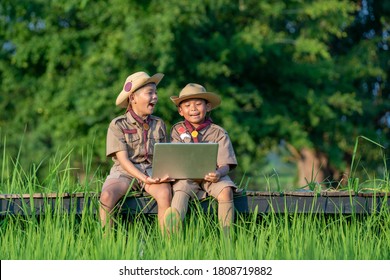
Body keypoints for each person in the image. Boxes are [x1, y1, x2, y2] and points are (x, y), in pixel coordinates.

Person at [99, 71, 172, 233]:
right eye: (150, 93)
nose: (155, 97)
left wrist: (165, 174)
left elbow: (165, 154)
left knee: (165, 193)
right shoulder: (118, 125)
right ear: (133, 98)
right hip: (125, 173)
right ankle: (107, 245)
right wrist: (143, 178)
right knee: (107, 196)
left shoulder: (159, 124)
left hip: (153, 172)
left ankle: (168, 247)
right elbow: (123, 160)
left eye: (156, 93)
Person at [166, 83, 238, 234]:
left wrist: (219, 173)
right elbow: (175, 159)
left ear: (208, 107)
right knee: (180, 192)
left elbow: (225, 163)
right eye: (187, 105)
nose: (193, 108)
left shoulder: (218, 133)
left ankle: (227, 237)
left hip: (212, 176)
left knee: (226, 190)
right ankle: (171, 235)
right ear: (180, 111)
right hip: (186, 177)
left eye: (198, 104)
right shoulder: (177, 131)